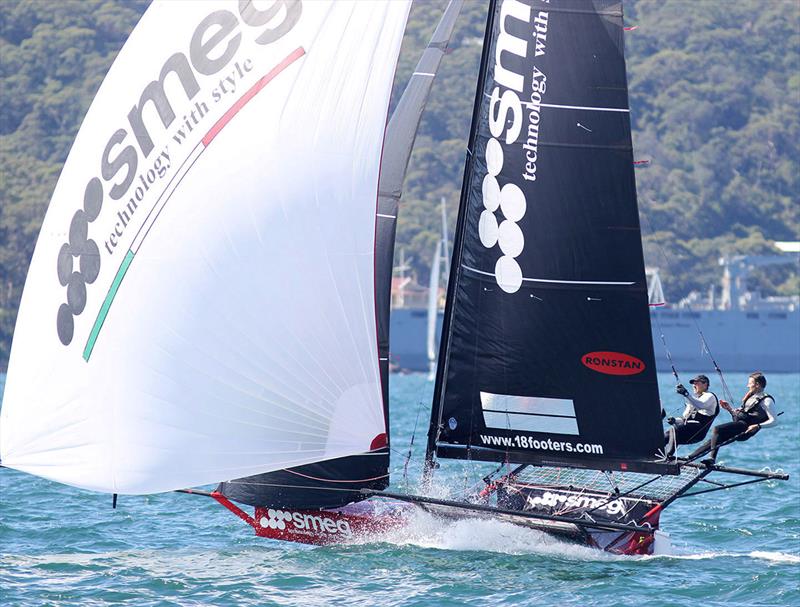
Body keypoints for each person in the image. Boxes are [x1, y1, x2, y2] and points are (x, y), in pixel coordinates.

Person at [686, 371, 777, 465]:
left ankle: (711, 458)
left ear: (757, 385)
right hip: (740, 426)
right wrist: (729, 409)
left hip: (745, 429)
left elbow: (774, 421)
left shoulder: (767, 400)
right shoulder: (752, 397)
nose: (747, 386)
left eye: (750, 383)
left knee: (717, 429)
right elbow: (742, 415)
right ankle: (689, 458)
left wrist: (758, 426)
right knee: (715, 439)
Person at [663, 374, 719, 457]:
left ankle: (669, 455)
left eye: (696, 383)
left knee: (675, 429)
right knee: (667, 434)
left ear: (705, 384)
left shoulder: (709, 396)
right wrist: (675, 420)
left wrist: (686, 394)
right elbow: (685, 418)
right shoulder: (694, 400)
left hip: (697, 432)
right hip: (689, 430)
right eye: (693, 383)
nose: (694, 385)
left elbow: (701, 405)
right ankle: (654, 451)